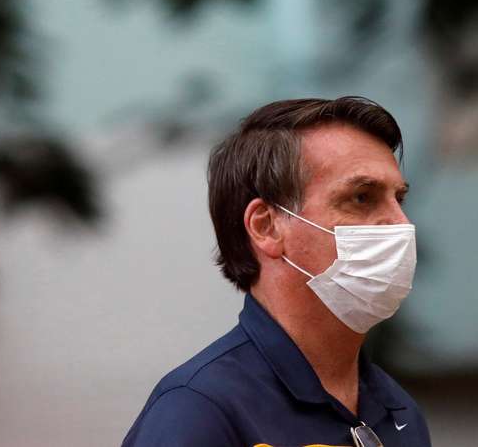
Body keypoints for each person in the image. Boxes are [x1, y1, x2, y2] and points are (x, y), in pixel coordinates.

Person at [122, 96, 432, 446]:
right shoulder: (200, 410)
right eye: (362, 198)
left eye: (399, 199)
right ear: (266, 227)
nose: (401, 224)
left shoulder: (398, 410)